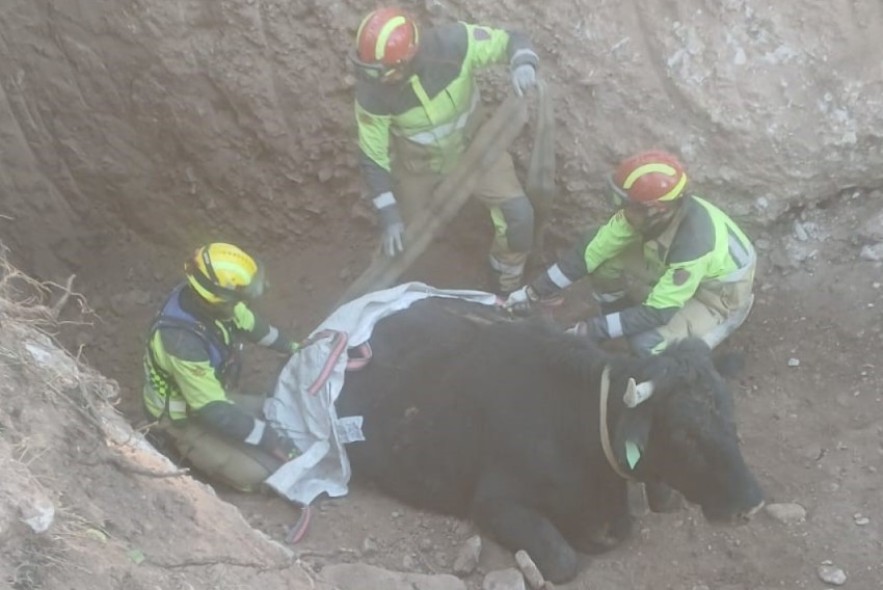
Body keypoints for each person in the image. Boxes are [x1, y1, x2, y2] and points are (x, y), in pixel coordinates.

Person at [350, 7, 540, 294]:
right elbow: (373, 156)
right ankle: (384, 295)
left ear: (407, 60)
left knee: (519, 217)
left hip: (478, 153)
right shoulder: (372, 93)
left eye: (381, 72)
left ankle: (504, 282)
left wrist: (523, 62)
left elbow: (510, 40)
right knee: (398, 242)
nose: (373, 79)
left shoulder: (455, 44)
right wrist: (389, 216)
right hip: (418, 170)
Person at [505, 150, 757, 357]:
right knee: (605, 263)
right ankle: (617, 316)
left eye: (629, 207)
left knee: (645, 343)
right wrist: (533, 292)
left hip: (717, 294)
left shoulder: (693, 245)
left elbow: (659, 311)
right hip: (680, 270)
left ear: (657, 211)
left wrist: (591, 330)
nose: (622, 214)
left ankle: (706, 338)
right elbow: (590, 253)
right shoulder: (645, 217)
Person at [142, 243, 304, 493]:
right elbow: (214, 411)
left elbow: (255, 328)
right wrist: (271, 440)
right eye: (239, 298)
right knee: (260, 473)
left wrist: (295, 348)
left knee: (277, 409)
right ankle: (169, 440)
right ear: (216, 301)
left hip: (207, 396)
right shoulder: (181, 342)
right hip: (180, 416)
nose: (242, 305)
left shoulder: (217, 305)